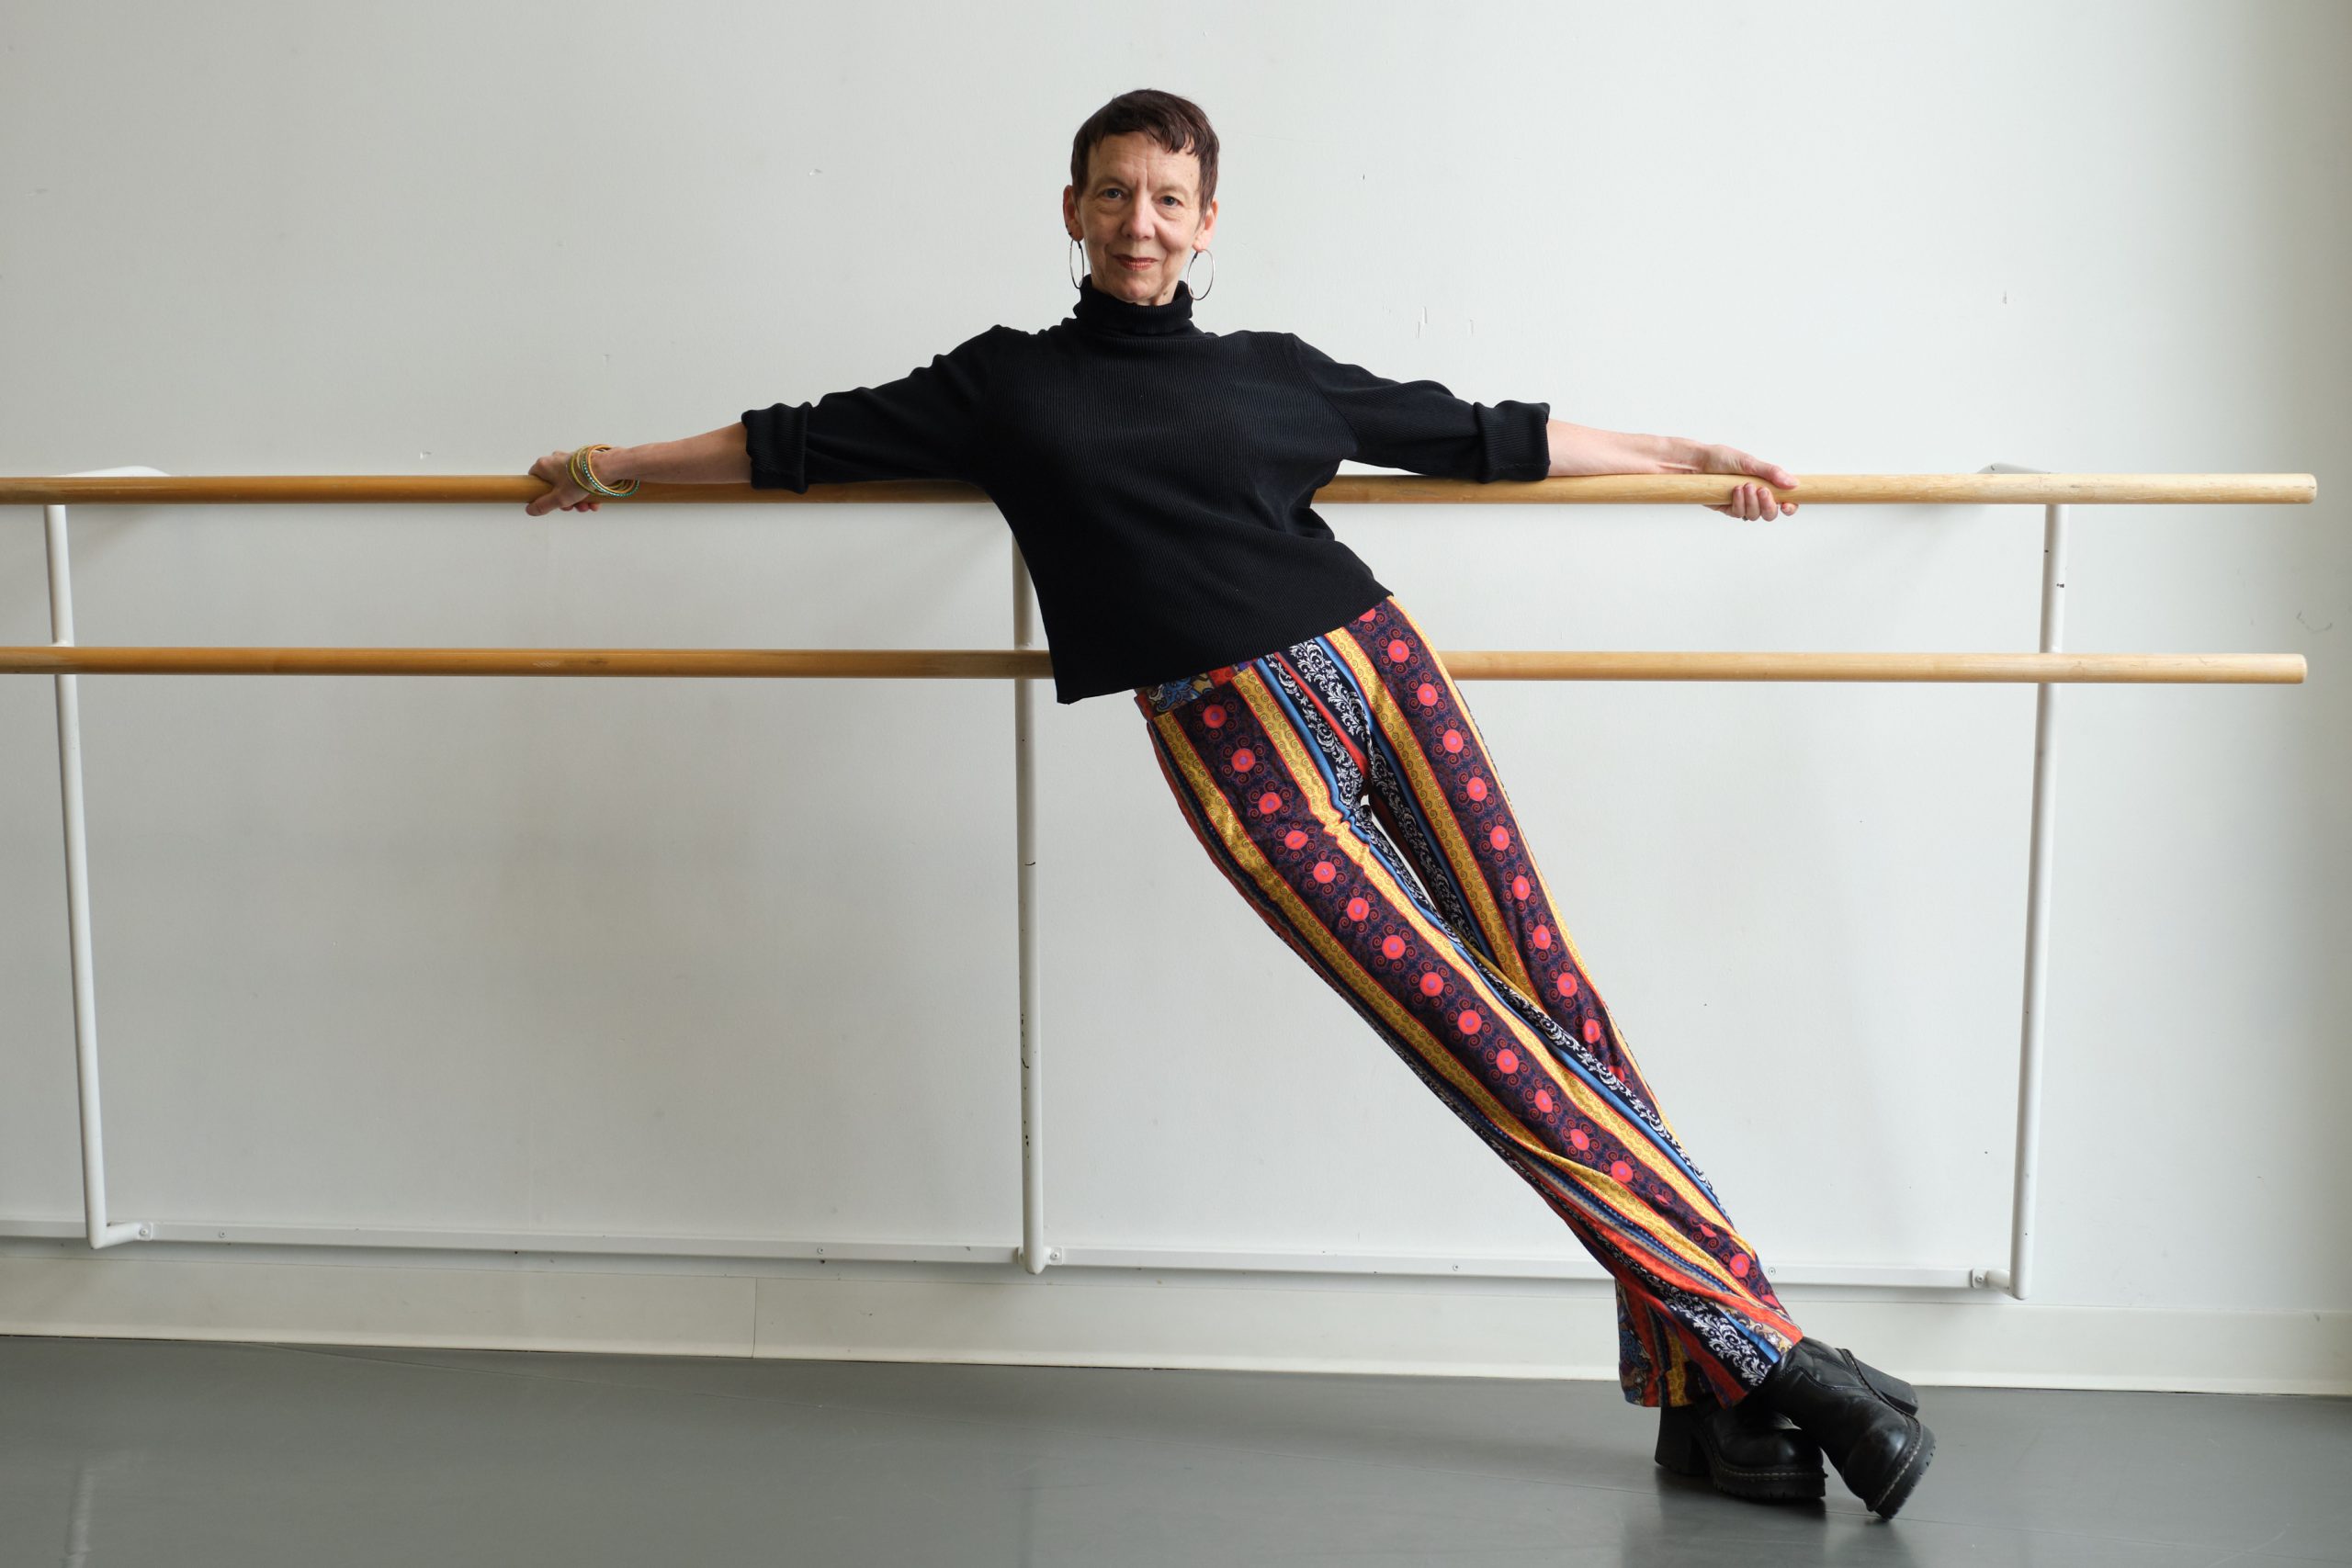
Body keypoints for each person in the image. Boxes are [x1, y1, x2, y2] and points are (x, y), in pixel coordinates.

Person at [523, 88, 1936, 1519]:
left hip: (1383, 672)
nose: (1139, 222)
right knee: (1474, 1038)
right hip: (1230, 734)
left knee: (1560, 1009)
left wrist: (1691, 460)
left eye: (1167, 199)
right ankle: (1782, 1357)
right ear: (1071, 210)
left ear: (1207, 224)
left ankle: (1717, 1398)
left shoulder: (1273, 371)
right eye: (1113, 193)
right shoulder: (1004, 384)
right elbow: (794, 442)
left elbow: (1478, 434)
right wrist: (612, 468)